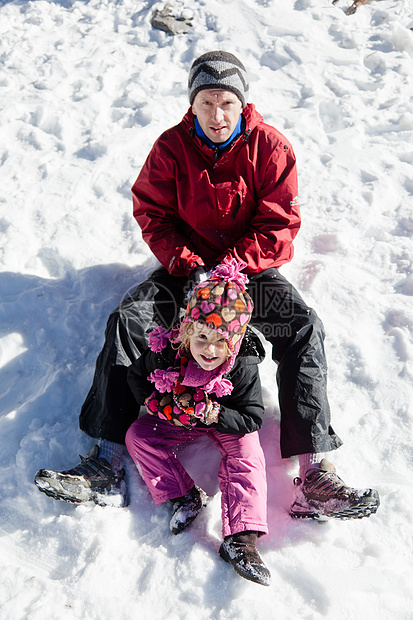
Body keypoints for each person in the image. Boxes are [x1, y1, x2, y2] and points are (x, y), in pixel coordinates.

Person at [34, 50, 379, 523]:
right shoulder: (171, 148)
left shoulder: (270, 147)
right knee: (129, 322)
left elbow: (280, 223)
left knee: (302, 329)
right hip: (188, 269)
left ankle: (316, 472)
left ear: (242, 104)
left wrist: (235, 266)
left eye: (226, 103)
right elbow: (152, 212)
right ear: (192, 105)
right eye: (207, 103)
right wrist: (186, 261)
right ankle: (108, 461)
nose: (217, 116)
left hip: (249, 272)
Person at [125, 259, 270, 585]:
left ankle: (241, 537)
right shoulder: (167, 351)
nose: (210, 349)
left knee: (248, 451)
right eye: (202, 336)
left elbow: (252, 416)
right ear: (188, 329)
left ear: (232, 344)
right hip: (176, 415)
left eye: (221, 342)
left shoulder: (242, 366)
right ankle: (184, 496)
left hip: (223, 419)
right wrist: (154, 402)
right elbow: (136, 376)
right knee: (138, 435)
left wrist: (216, 414)